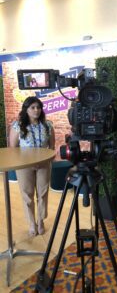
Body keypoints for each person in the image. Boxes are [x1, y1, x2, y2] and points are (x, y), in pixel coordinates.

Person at [9, 96, 55, 237]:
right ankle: (31, 223)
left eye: (38, 107)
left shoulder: (48, 125)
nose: (36, 110)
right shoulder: (18, 125)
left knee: (42, 193)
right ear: (26, 109)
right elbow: (12, 147)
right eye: (33, 107)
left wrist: (50, 161)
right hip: (24, 166)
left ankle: (40, 221)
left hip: (43, 165)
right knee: (27, 195)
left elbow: (51, 146)